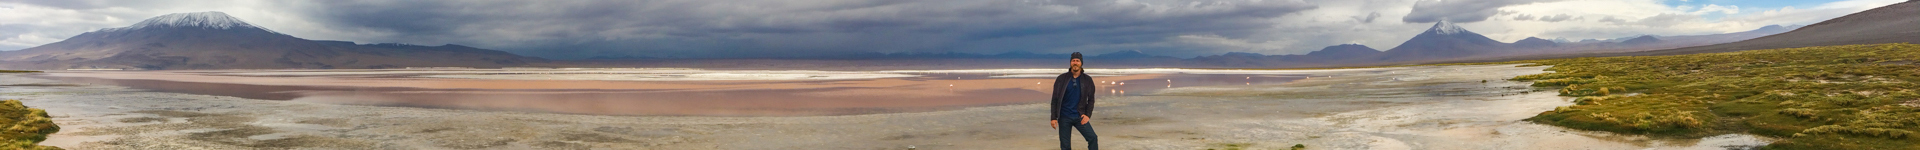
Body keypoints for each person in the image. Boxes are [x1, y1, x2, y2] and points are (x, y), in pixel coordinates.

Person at [1051, 52, 1097, 150]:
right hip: (1064, 117)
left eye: (1077, 61)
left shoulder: (1087, 80)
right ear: (1070, 63)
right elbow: (1054, 99)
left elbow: (1091, 99)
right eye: (1073, 61)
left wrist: (1087, 115)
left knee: (1093, 138)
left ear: (1081, 63)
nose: (1075, 63)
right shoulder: (1061, 79)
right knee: (1065, 145)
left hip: (1079, 116)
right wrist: (1053, 117)